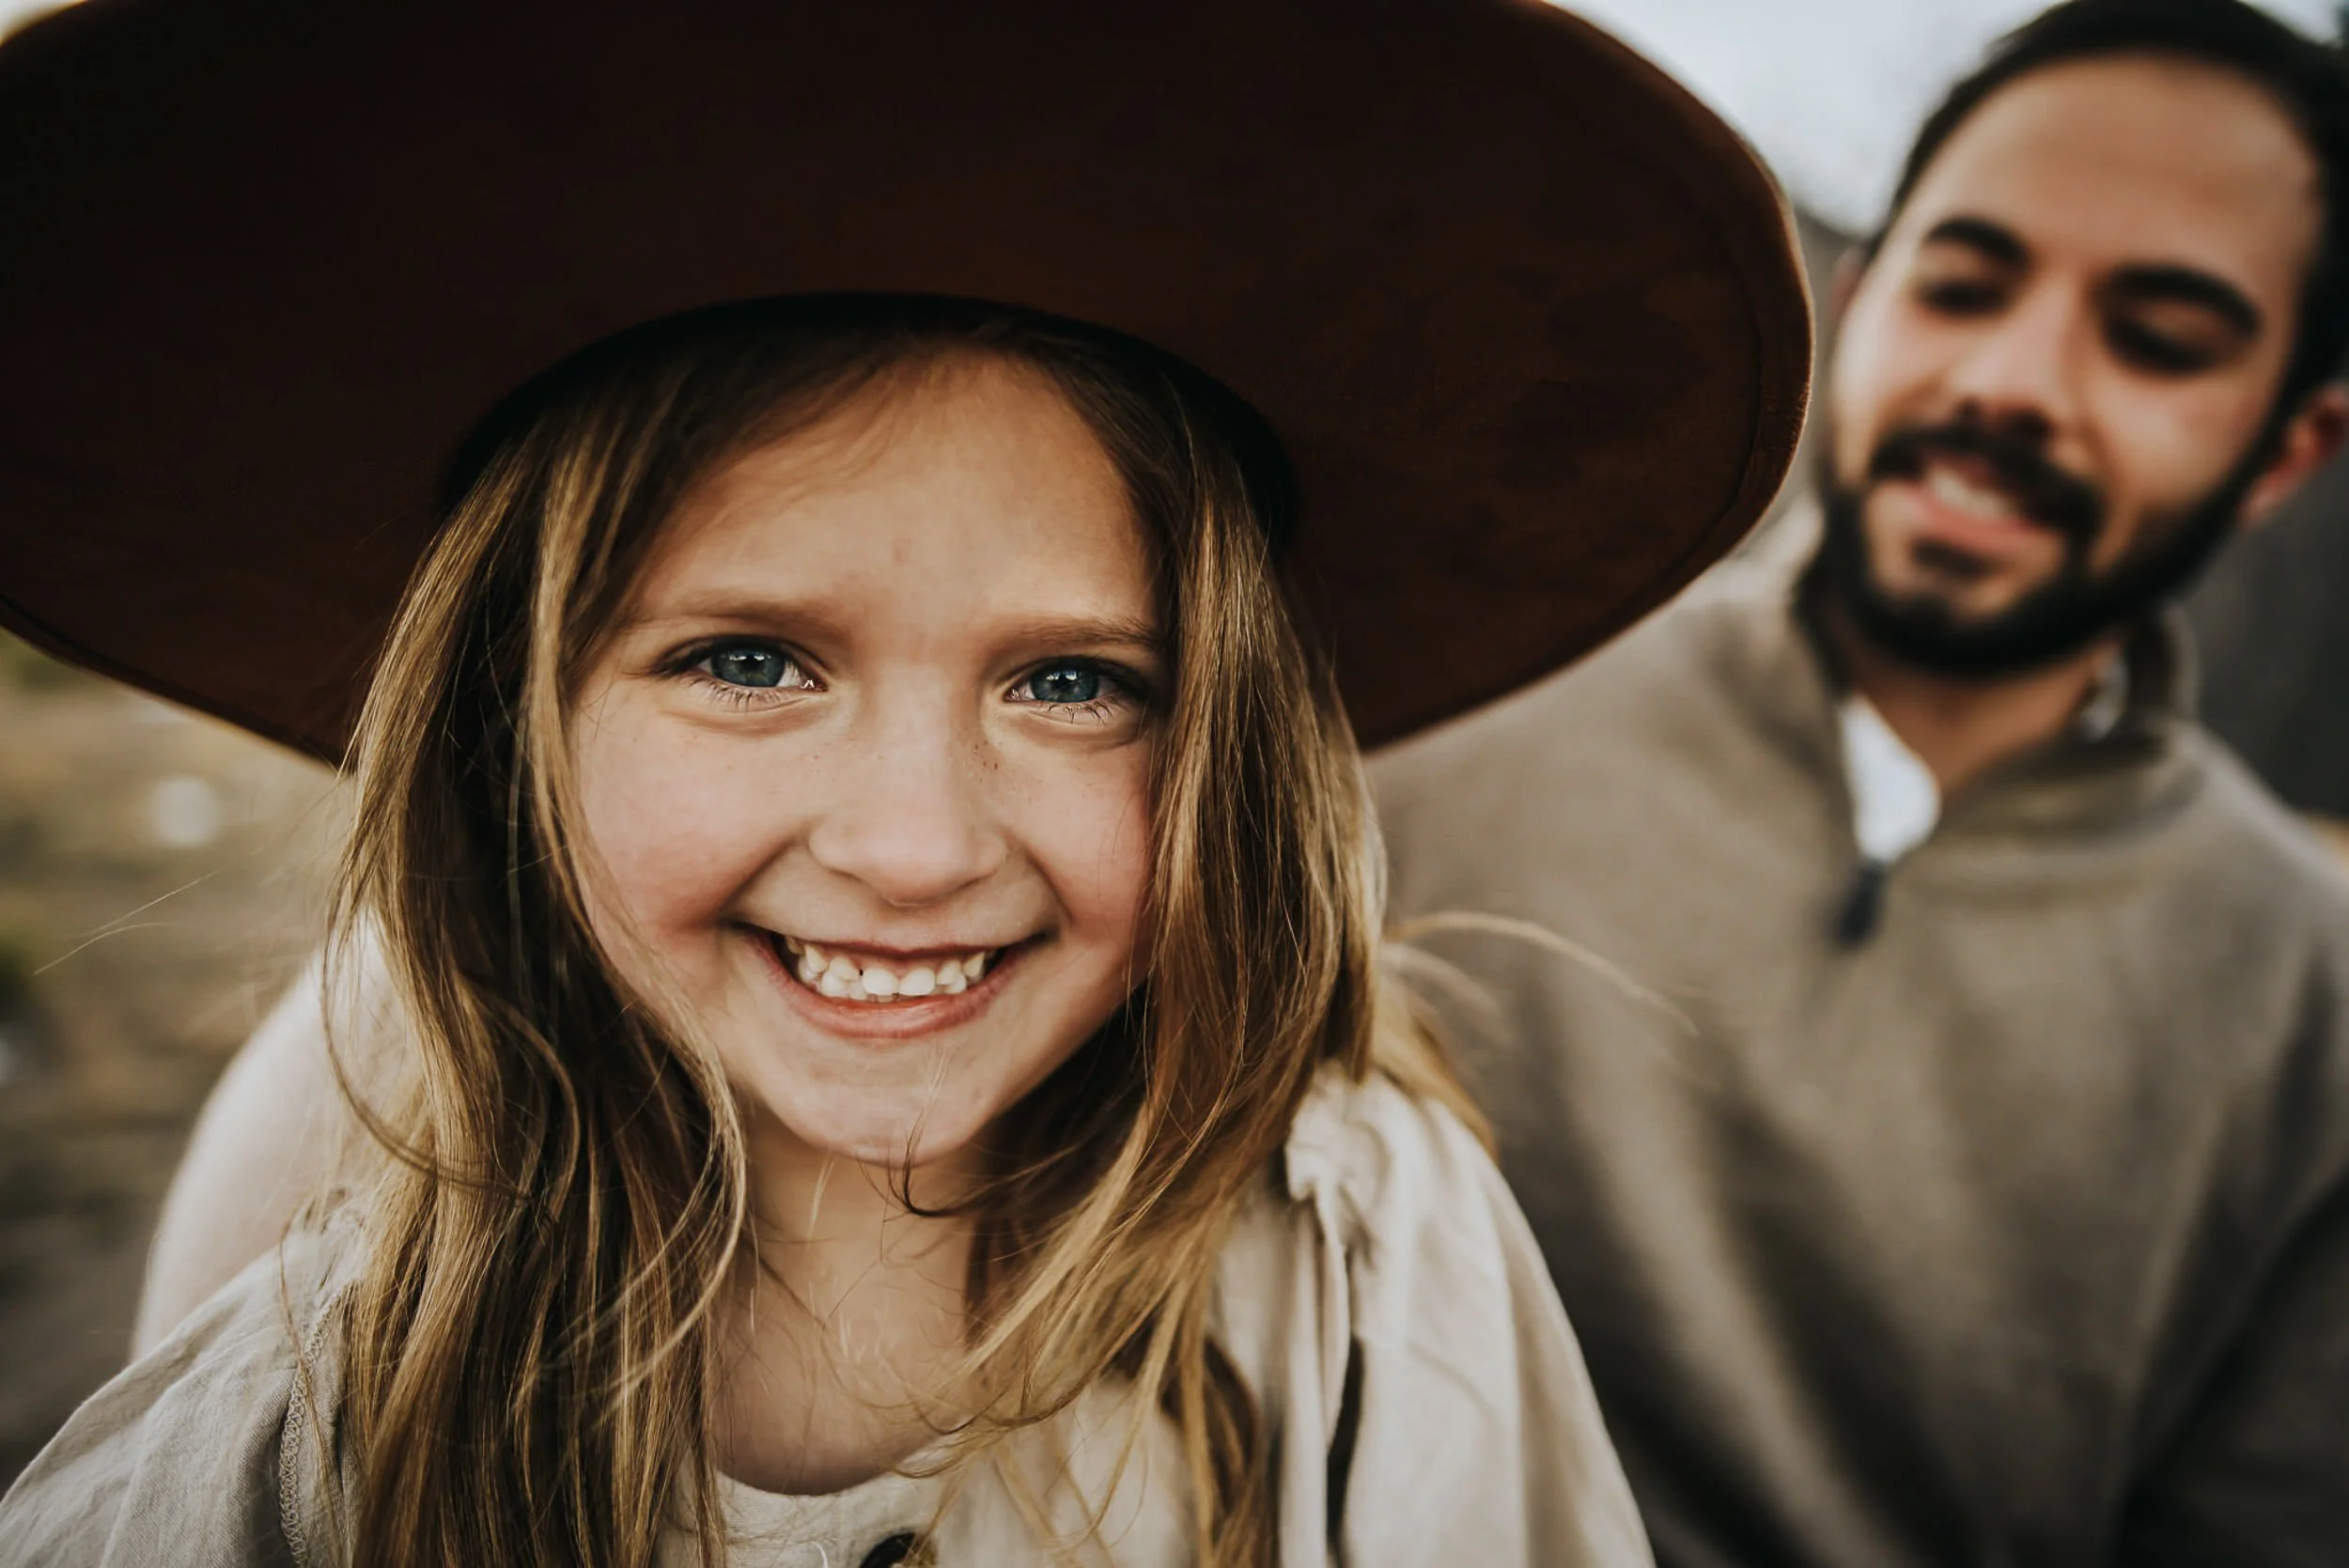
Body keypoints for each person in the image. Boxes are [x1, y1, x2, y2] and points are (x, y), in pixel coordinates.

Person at [0, 4, 1812, 1566]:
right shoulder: (286, 1428)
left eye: (1076, 683)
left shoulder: (1365, 1283)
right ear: (510, 721)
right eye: (749, 661)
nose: (916, 848)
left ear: (1230, 753)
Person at [1371, 2, 2349, 1564]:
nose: (2016, 380)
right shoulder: (1433, 709)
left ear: (2293, 447)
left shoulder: (2314, 1019)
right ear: (1857, 297)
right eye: (1965, 282)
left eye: (2159, 337)